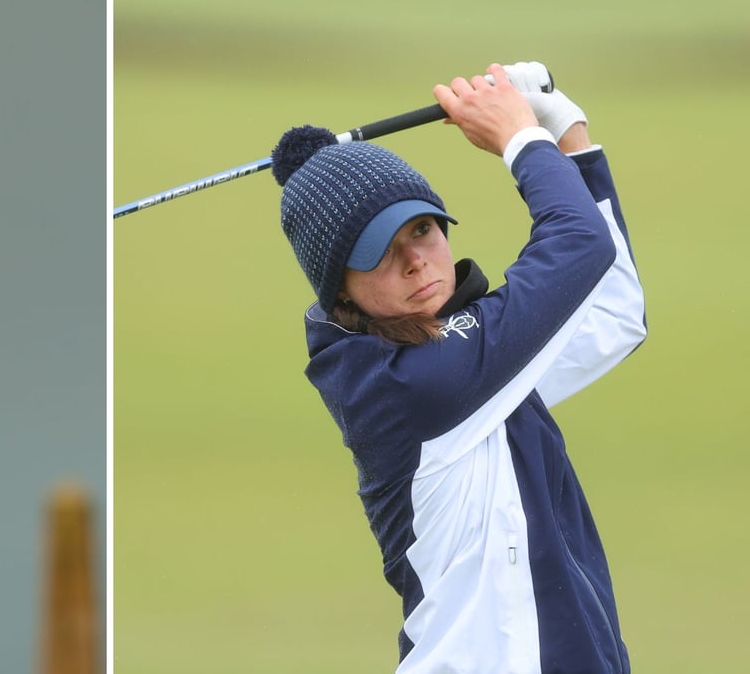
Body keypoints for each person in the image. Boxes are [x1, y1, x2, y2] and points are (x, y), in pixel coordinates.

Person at [273, 64, 645, 672]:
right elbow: (579, 244)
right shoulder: (413, 386)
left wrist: (566, 133)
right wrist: (520, 138)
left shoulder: (479, 373)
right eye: (380, 254)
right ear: (341, 295)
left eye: (422, 229)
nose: (417, 261)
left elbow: (613, 312)